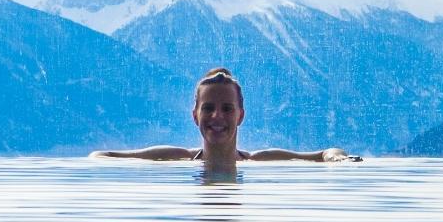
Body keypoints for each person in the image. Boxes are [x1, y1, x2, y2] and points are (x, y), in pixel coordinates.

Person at [91, 67, 361, 177]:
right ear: (195, 115)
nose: (217, 117)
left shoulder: (259, 160)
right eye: (208, 108)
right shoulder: (175, 157)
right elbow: (100, 155)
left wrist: (338, 159)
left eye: (226, 109)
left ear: (240, 115)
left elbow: (328, 152)